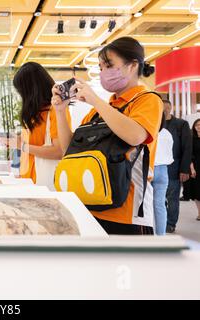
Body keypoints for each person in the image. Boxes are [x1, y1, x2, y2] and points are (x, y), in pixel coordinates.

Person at [52, 36, 162, 235]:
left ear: (132, 65)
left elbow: (136, 136)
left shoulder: (147, 100)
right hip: (91, 205)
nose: (103, 73)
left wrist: (95, 101)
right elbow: (69, 151)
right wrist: (61, 111)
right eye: (101, 68)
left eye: (109, 65)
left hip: (128, 212)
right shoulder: (100, 110)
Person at [13, 61, 71, 184]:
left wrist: (22, 146)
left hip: (45, 184)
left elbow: (59, 151)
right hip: (28, 182)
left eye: (22, 91)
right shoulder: (33, 114)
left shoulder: (56, 110)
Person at [163, 100, 193, 233]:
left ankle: (170, 223)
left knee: (173, 198)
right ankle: (161, 221)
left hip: (174, 169)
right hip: (157, 168)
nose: (164, 111)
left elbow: (187, 148)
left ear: (170, 108)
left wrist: (184, 169)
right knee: (158, 199)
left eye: (166, 108)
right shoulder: (155, 123)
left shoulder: (181, 124)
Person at [152, 113, 173, 235]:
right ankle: (161, 236)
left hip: (148, 169)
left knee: (145, 205)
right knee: (160, 205)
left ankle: (147, 235)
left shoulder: (148, 130)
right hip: (163, 170)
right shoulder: (167, 133)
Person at [188, 118, 200, 220]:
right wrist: (192, 169)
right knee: (197, 191)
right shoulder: (191, 139)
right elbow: (190, 155)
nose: (199, 127)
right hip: (196, 167)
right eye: (197, 125)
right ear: (194, 127)